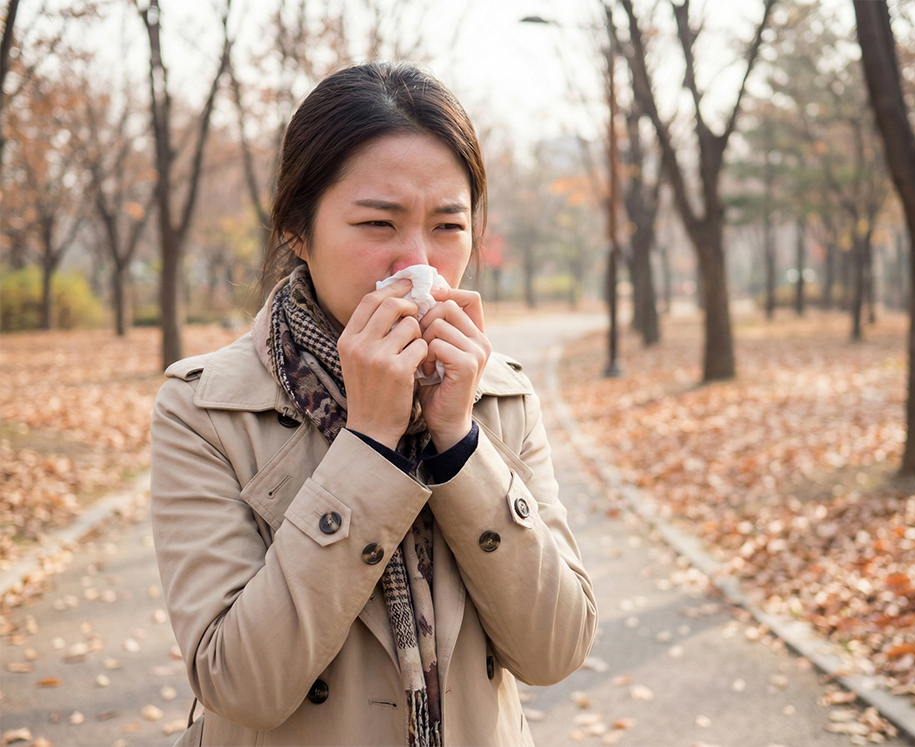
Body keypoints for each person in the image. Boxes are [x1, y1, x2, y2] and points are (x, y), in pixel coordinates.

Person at [149, 61, 597, 747]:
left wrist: (458, 437)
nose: (416, 265)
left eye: (448, 227)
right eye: (378, 223)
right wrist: (368, 443)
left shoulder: (498, 393)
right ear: (297, 229)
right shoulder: (206, 409)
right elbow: (239, 683)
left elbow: (556, 651)